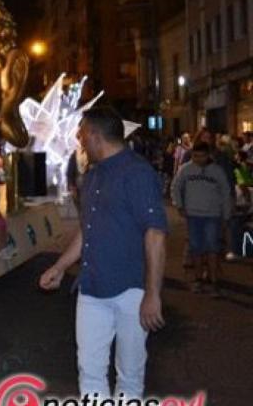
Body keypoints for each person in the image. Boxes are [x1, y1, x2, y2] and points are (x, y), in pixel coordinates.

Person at [40, 107, 167, 401]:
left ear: (96, 136)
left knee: (130, 374)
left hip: (131, 291)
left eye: (82, 133)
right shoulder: (94, 175)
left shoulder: (137, 173)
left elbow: (155, 233)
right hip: (92, 288)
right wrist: (60, 266)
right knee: (90, 369)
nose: (78, 139)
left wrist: (153, 293)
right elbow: (88, 230)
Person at [171, 142, 231, 295]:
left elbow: (225, 192)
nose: (198, 159)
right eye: (195, 156)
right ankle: (198, 279)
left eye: (202, 156)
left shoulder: (217, 171)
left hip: (212, 214)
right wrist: (179, 205)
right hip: (193, 215)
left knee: (212, 248)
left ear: (208, 155)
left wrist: (226, 214)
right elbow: (176, 186)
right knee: (196, 248)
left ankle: (213, 281)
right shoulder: (186, 169)